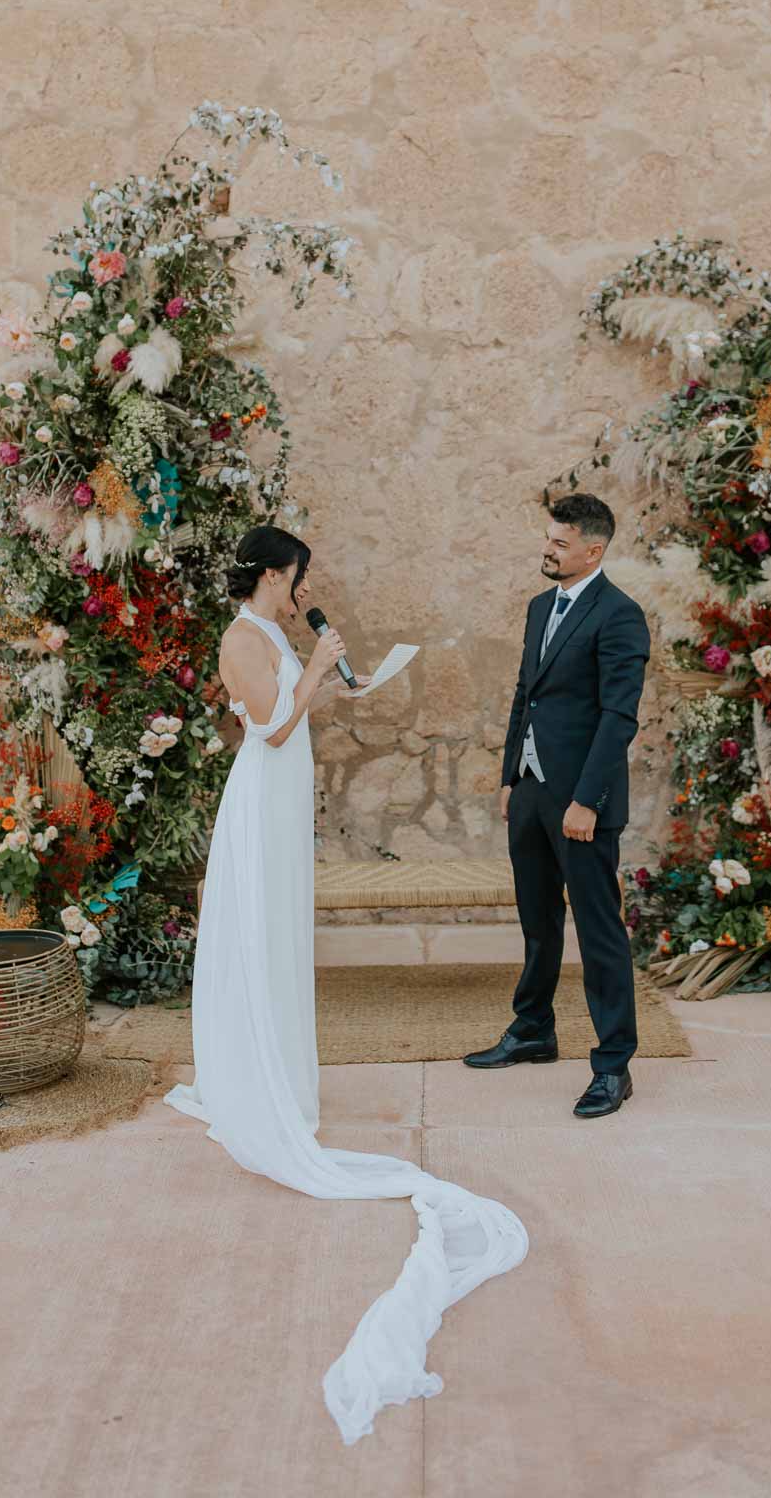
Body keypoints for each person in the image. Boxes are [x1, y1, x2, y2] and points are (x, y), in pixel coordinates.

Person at [165, 525, 527, 1444]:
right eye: (295, 581)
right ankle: (257, 1086)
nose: (300, 593)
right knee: (258, 940)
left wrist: (333, 671)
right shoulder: (242, 637)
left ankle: (283, 1072)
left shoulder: (276, 638)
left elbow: (300, 712)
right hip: (260, 792)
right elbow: (275, 726)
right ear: (273, 577)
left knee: (285, 940)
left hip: (285, 796)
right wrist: (320, 666)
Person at [464, 493, 652, 1119]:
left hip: (581, 804)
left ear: (593, 550)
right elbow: (528, 693)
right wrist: (511, 775)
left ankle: (612, 1066)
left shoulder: (621, 616)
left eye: (561, 542)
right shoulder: (540, 606)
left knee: (598, 933)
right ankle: (533, 1030)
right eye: (548, 538)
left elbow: (618, 717)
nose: (548, 549)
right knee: (538, 921)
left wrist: (587, 801)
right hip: (531, 793)